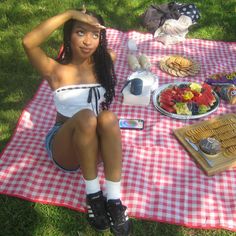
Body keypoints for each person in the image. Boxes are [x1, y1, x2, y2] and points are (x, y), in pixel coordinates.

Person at [22, 8, 132, 236]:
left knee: (109, 117)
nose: (88, 41)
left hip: (95, 145)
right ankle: (93, 195)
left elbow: (108, 49)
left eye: (94, 35)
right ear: (68, 37)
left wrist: (90, 24)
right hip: (66, 145)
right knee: (84, 115)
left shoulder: (105, 62)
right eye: (80, 32)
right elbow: (29, 42)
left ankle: (113, 199)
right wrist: (70, 14)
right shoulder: (55, 70)